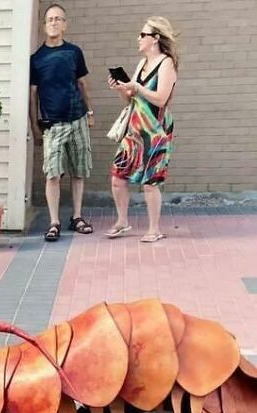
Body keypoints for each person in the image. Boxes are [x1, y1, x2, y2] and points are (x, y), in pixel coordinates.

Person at [107, 17, 178, 243]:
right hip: (135, 129)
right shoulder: (141, 64)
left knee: (151, 182)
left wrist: (137, 87)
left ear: (155, 38)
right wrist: (121, 89)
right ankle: (122, 221)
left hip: (156, 130)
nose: (138, 38)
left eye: (142, 34)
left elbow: (161, 99)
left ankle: (154, 229)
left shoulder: (166, 63)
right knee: (118, 177)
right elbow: (130, 100)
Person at [29, 3, 95, 241]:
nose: (54, 22)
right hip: (52, 125)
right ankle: (54, 221)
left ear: (65, 24)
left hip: (77, 119)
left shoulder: (74, 52)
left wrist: (89, 113)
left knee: (79, 171)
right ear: (44, 26)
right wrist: (35, 127)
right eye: (50, 19)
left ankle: (76, 216)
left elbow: (82, 84)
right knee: (52, 174)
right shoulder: (36, 59)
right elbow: (33, 94)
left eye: (58, 19)